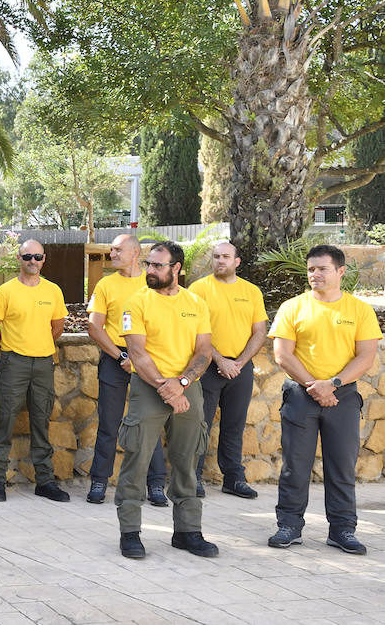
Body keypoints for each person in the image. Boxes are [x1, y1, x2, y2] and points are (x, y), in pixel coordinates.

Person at [267, 244, 382, 555]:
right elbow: (282, 355)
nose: (314, 274)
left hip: (343, 396)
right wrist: (313, 386)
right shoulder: (293, 307)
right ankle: (289, 525)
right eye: (311, 269)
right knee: (295, 465)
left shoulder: (359, 310)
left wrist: (332, 384)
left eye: (322, 269)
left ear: (340, 272)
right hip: (300, 395)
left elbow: (366, 356)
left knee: (342, 466)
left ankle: (343, 530)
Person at [115, 241, 217, 560]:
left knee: (188, 459)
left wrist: (183, 382)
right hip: (150, 386)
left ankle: (187, 532)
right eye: (149, 264)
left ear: (176, 269)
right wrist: (166, 387)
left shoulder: (196, 303)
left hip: (187, 386)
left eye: (158, 266)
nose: (150, 270)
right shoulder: (136, 303)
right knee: (137, 458)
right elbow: (137, 353)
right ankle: (130, 532)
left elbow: (204, 351)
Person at [0, 240, 69, 503]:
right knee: (5, 419)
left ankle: (44, 481)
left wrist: (38, 346)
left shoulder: (54, 291)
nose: (33, 261)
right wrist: (13, 348)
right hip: (14, 363)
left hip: (43, 363)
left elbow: (57, 327)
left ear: (44, 260)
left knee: (41, 421)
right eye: (28, 256)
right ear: (19, 259)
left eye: (38, 257)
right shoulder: (5, 291)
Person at [86, 234, 168, 506]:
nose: (112, 253)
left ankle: (156, 484)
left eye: (118, 250)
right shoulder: (106, 284)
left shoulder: (153, 283)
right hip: (115, 360)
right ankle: (99, 481)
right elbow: (94, 327)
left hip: (149, 362)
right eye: (112, 249)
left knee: (149, 423)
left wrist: (140, 358)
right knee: (109, 424)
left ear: (135, 252)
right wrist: (122, 354)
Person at [188, 241, 267, 499]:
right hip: (208, 366)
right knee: (201, 423)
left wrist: (239, 363)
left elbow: (259, 332)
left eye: (225, 257)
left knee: (234, 425)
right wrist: (220, 361)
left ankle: (233, 479)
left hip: (240, 368)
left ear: (237, 262)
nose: (220, 261)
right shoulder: (199, 289)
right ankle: (193, 478)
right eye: (216, 257)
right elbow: (194, 332)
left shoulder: (252, 291)